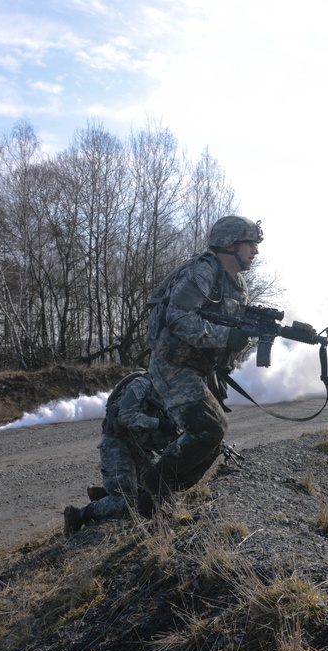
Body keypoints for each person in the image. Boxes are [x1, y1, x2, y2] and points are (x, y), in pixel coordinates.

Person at [137, 215, 262, 517]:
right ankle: (151, 488)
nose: (255, 252)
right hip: (173, 364)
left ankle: (160, 495)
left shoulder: (236, 284)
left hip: (198, 367)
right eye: (251, 245)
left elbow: (230, 326)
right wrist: (226, 336)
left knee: (213, 438)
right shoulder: (203, 272)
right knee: (209, 429)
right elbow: (177, 319)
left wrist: (246, 334)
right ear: (231, 244)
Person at [63, 369, 178, 536]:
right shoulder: (143, 384)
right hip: (117, 444)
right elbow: (125, 416)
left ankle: (102, 494)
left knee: (153, 487)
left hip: (138, 447)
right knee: (125, 501)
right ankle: (77, 515)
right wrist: (159, 424)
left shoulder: (168, 389)